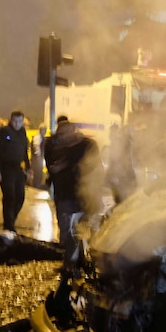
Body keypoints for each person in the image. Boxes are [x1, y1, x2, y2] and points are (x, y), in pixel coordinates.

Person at [44, 118, 102, 278]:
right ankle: (70, 265)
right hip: (65, 195)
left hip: (86, 195)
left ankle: (90, 264)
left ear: (73, 131)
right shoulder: (54, 146)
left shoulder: (88, 145)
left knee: (90, 231)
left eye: (64, 134)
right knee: (68, 233)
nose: (61, 137)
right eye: (59, 134)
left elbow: (95, 167)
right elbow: (52, 166)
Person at [0, 111, 31, 232]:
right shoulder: (4, 132)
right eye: (15, 121)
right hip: (5, 167)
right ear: (10, 120)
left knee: (20, 196)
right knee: (10, 196)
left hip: (17, 168)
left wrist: (28, 167)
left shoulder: (22, 132)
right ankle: (9, 226)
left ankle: (10, 221)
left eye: (20, 121)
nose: (17, 124)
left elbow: (24, 151)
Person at [104, 124, 137, 204]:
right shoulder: (120, 142)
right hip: (120, 176)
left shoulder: (127, 143)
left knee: (124, 199)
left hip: (124, 176)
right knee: (121, 199)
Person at [30, 124, 47, 189]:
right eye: (43, 130)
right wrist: (38, 157)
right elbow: (37, 148)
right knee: (37, 174)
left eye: (45, 130)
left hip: (39, 159)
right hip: (37, 160)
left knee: (39, 174)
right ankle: (36, 187)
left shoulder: (42, 138)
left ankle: (37, 186)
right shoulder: (37, 138)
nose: (44, 131)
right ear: (40, 130)